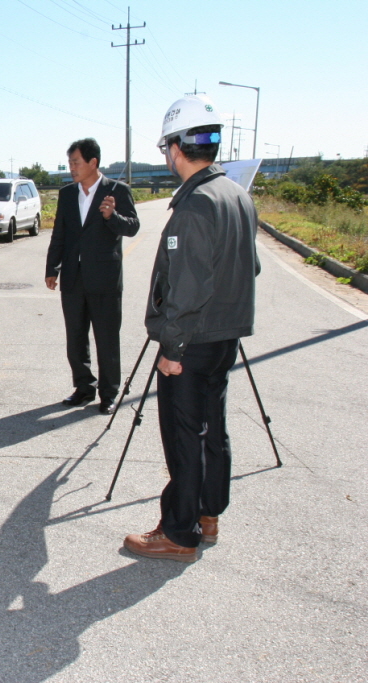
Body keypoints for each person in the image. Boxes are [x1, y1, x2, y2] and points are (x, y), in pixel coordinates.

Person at [124, 95, 260, 563]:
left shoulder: (195, 205)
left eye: (166, 148)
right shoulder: (237, 196)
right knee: (211, 428)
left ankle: (179, 532)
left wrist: (172, 346)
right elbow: (250, 267)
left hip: (192, 340)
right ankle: (208, 513)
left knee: (183, 435)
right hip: (225, 336)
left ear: (176, 149)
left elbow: (184, 285)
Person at [44, 138, 139, 415]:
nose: (72, 167)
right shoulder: (67, 194)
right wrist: (52, 268)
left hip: (105, 278)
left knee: (106, 338)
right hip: (73, 277)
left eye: (76, 162)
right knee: (75, 337)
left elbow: (133, 227)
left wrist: (112, 216)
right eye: (70, 162)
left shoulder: (117, 191)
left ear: (93, 163)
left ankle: (109, 394)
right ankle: (84, 387)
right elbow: (59, 233)